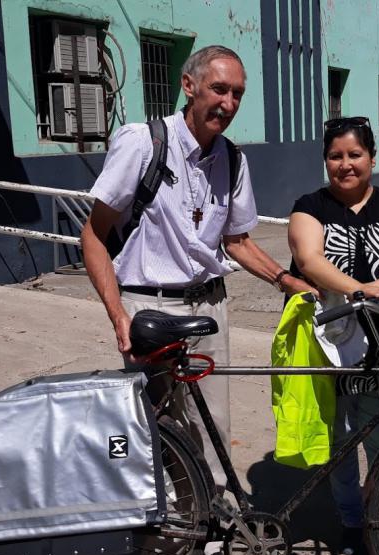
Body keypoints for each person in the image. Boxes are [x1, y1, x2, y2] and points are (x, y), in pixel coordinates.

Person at [82, 45, 316, 491]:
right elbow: (93, 235)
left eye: (237, 95)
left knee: (212, 430)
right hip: (149, 308)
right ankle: (166, 550)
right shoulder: (143, 143)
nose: (228, 104)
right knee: (155, 431)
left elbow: (237, 242)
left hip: (209, 307)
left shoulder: (233, 159)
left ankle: (212, 537)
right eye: (219, 89)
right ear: (188, 86)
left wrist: (290, 282)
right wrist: (118, 316)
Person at [286, 116, 379, 555]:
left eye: (354, 155)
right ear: (325, 160)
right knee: (339, 441)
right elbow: (308, 259)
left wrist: (377, 289)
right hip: (327, 343)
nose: (345, 165)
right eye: (335, 156)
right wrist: (359, 291)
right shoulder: (310, 206)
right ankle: (351, 523)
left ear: (371, 157)